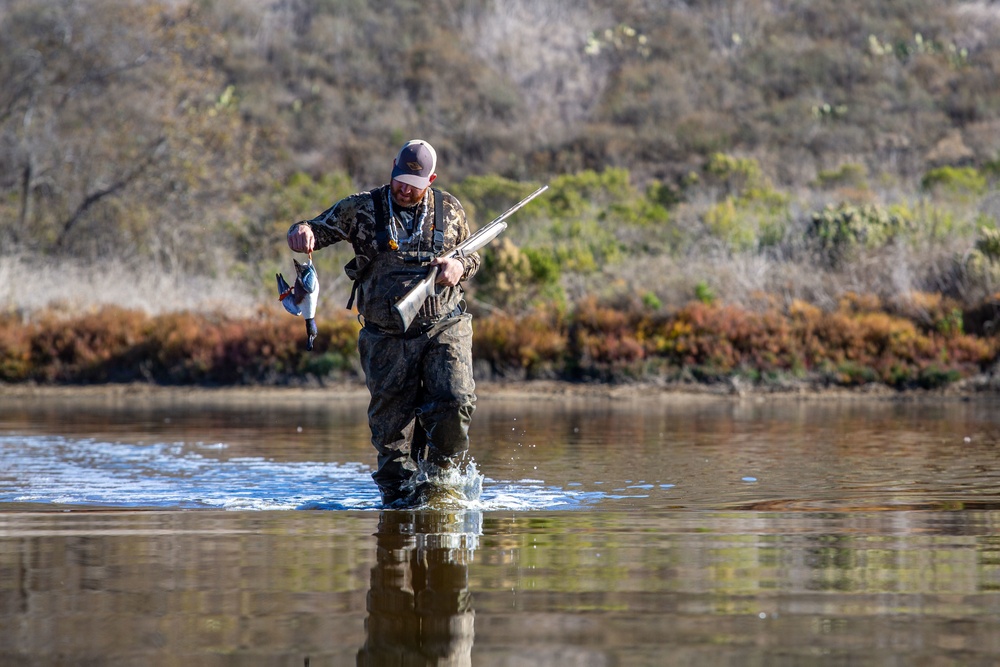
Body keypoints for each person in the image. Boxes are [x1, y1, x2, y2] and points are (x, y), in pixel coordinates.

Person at [287, 139, 478, 507]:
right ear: (392, 167)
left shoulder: (450, 209)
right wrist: (302, 233)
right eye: (399, 178)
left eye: (414, 183)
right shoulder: (361, 208)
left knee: (455, 401)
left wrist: (459, 267)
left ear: (432, 180)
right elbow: (312, 229)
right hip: (385, 336)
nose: (404, 188)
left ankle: (441, 482)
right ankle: (398, 510)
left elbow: (473, 257)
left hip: (444, 326)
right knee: (391, 438)